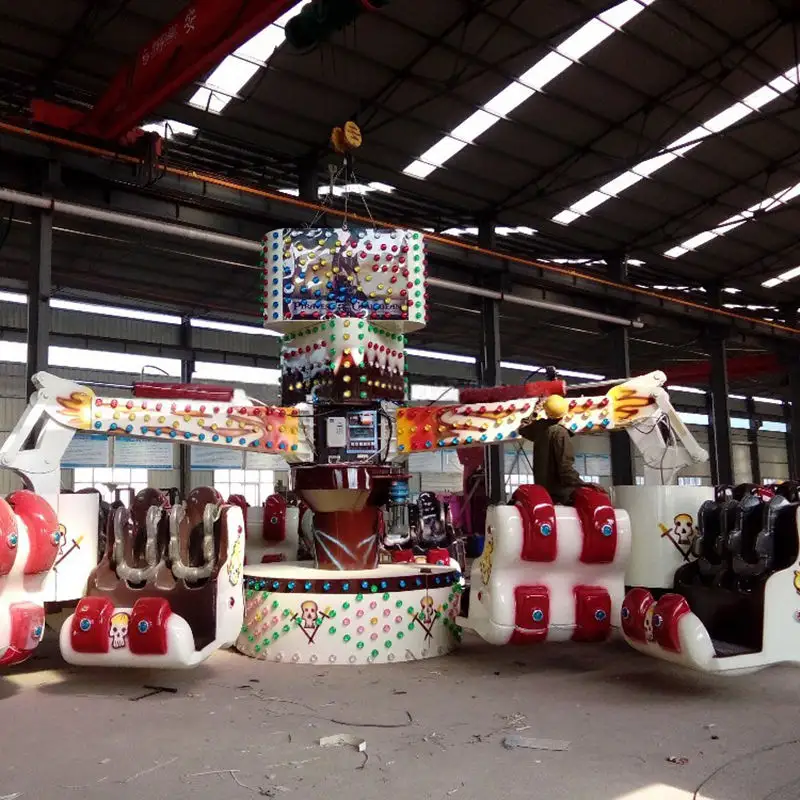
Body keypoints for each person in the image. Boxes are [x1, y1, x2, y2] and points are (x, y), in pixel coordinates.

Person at [518, 395, 600, 505]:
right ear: (564, 414)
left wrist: (535, 410)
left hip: (544, 493)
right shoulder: (560, 433)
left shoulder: (539, 429)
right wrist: (584, 484)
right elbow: (565, 469)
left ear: (546, 412)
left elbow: (522, 428)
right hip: (561, 495)